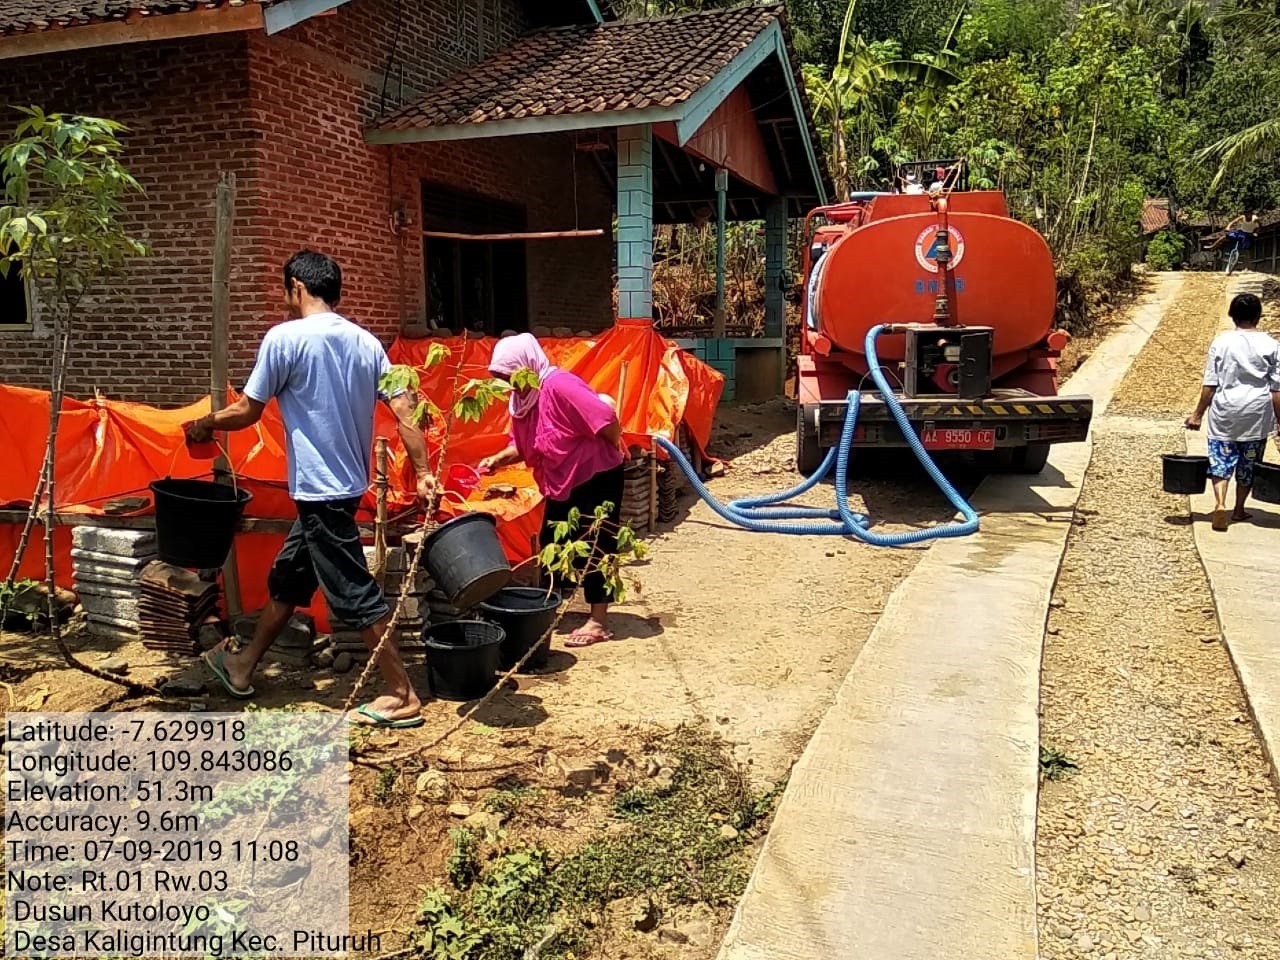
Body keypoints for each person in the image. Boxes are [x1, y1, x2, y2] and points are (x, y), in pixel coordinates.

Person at [185, 251, 435, 727]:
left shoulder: (285, 339)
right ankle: (242, 666)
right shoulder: (367, 344)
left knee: (353, 592)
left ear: (297, 287)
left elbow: (247, 412)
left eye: (286, 291)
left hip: (320, 492)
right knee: (290, 579)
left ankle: (401, 693)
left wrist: (206, 423)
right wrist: (423, 472)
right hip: (339, 489)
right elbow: (407, 412)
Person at [478, 334, 627, 647]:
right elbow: (524, 443)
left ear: (527, 366)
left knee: (597, 542)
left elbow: (606, 420)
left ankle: (598, 620)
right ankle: (549, 608)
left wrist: (615, 445)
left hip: (596, 473)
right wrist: (497, 459)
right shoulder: (522, 400)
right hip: (560, 479)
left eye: (512, 375)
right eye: (504, 378)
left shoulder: (559, 385)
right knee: (552, 542)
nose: (509, 382)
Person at [1184, 292, 1280, 531]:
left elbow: (1210, 384)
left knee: (1220, 461)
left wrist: (1197, 414)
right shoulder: (1272, 345)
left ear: (1231, 315)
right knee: (1248, 463)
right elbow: (1276, 390)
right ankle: (1238, 510)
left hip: (1224, 413)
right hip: (1257, 414)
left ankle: (1219, 503)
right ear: (1259, 316)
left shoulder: (1221, 342)